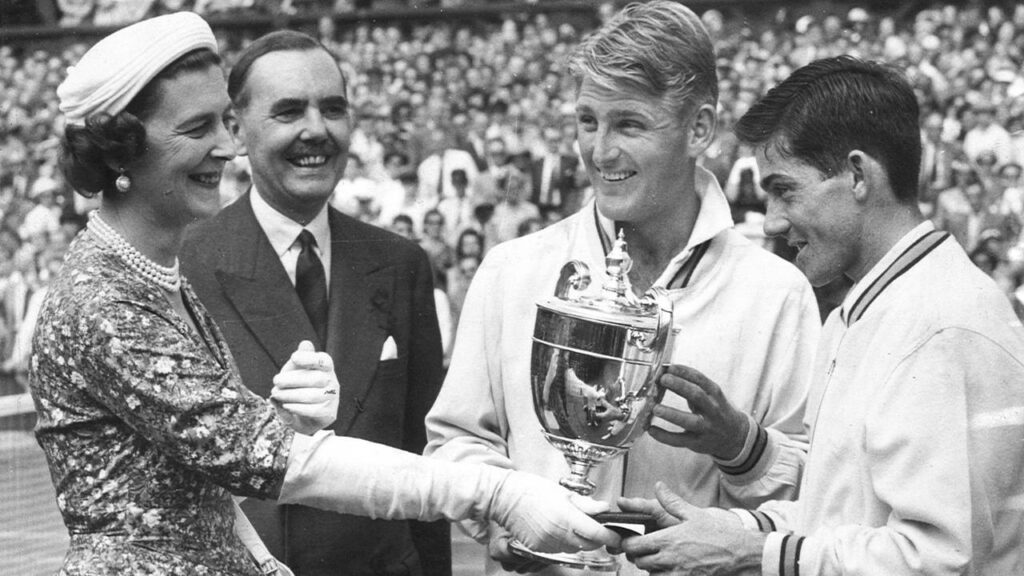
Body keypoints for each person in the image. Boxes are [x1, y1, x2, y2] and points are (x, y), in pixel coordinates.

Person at [32, 13, 620, 576]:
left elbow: (201, 478)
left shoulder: (150, 277)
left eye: (222, 123)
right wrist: (498, 491)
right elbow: (275, 463)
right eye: (196, 129)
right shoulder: (105, 300)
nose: (228, 147)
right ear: (123, 151)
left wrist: (279, 421)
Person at [424, 2, 820, 574]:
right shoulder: (512, 271)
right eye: (588, 121)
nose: (600, 151)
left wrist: (743, 447)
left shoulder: (777, 294)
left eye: (629, 124)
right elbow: (457, 441)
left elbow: (813, 494)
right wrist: (501, 511)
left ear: (699, 129)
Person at [618, 55, 1024, 576]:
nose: (771, 222)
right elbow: (838, 510)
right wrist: (725, 528)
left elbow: (938, 560)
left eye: (785, 190)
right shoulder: (862, 309)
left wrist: (749, 554)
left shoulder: (941, 325)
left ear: (857, 175)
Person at [179, 30, 449, 576]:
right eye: (288, 112)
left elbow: (426, 459)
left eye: (332, 109)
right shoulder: (186, 265)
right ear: (236, 129)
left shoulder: (401, 265)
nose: (316, 131)